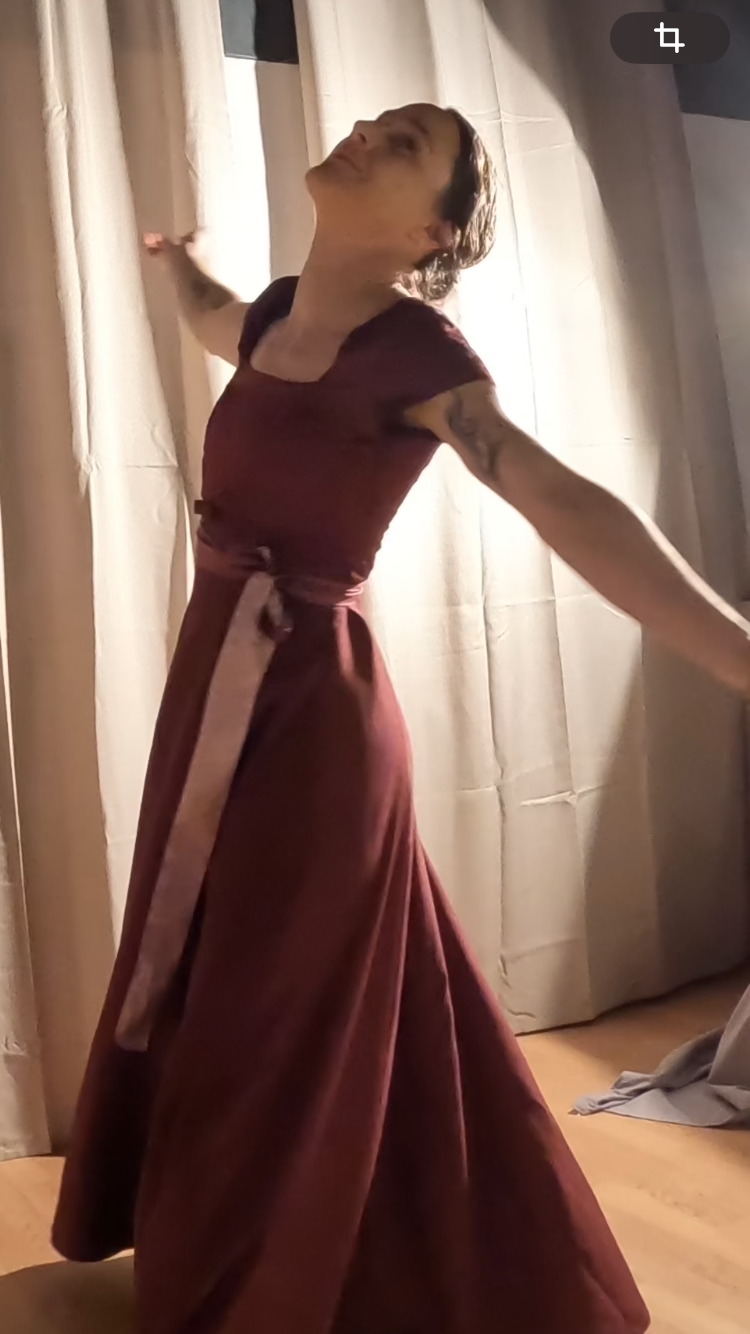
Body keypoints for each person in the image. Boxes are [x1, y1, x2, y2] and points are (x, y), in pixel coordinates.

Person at [52, 103, 750, 1334]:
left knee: (275, 998)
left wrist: (739, 655)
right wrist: (180, 267)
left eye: (409, 141)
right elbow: (218, 319)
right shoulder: (277, 314)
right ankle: (356, 1241)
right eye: (380, 119)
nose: (368, 127)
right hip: (215, 685)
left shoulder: (420, 356)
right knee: (237, 968)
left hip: (315, 717)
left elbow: (558, 496)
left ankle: (260, 1284)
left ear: (431, 230)